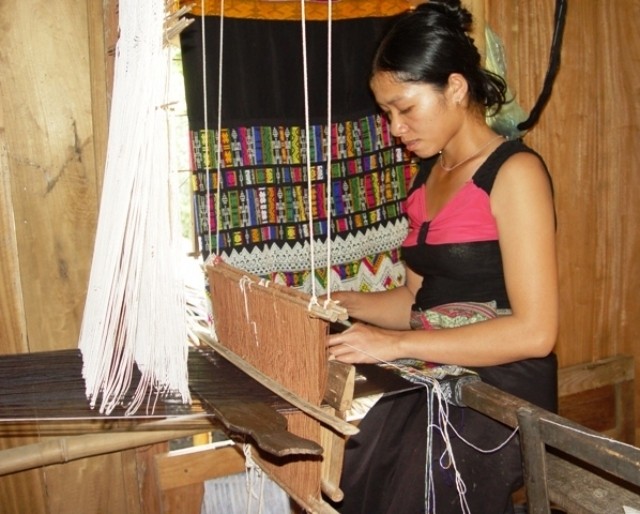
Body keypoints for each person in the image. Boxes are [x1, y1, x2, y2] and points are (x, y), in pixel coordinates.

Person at [325, 1, 559, 513]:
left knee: (407, 477)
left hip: (500, 385)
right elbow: (414, 299)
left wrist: (394, 344)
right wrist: (336, 304)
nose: (395, 128)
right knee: (351, 445)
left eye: (405, 108)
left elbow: (536, 332)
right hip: (437, 362)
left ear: (455, 88)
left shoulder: (514, 173)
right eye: (387, 113)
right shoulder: (426, 178)